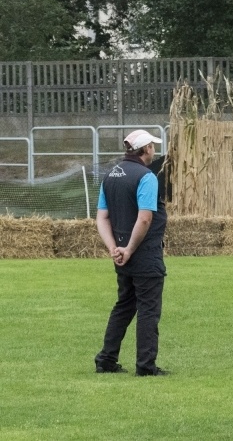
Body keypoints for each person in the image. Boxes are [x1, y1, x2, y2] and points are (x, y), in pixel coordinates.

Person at [94, 130, 168, 376]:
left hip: (121, 255)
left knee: (124, 305)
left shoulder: (110, 176)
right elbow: (145, 218)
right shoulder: (146, 177)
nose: (154, 150)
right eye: (152, 146)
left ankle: (106, 359)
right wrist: (130, 249)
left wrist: (113, 248)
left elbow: (102, 217)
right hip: (144, 254)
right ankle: (146, 366)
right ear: (145, 149)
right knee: (148, 309)